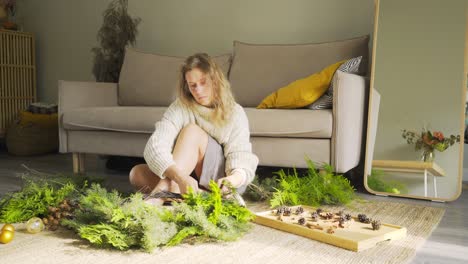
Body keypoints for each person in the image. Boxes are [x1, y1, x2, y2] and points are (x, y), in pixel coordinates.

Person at [128, 53, 259, 205]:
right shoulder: (181, 107)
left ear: (215, 81)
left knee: (192, 131)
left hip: (220, 181)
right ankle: (200, 196)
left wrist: (232, 180)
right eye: (193, 85)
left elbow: (242, 159)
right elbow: (154, 147)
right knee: (137, 174)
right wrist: (180, 177)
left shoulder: (235, 112)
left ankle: (159, 197)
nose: (198, 90)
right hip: (188, 176)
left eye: (203, 82)